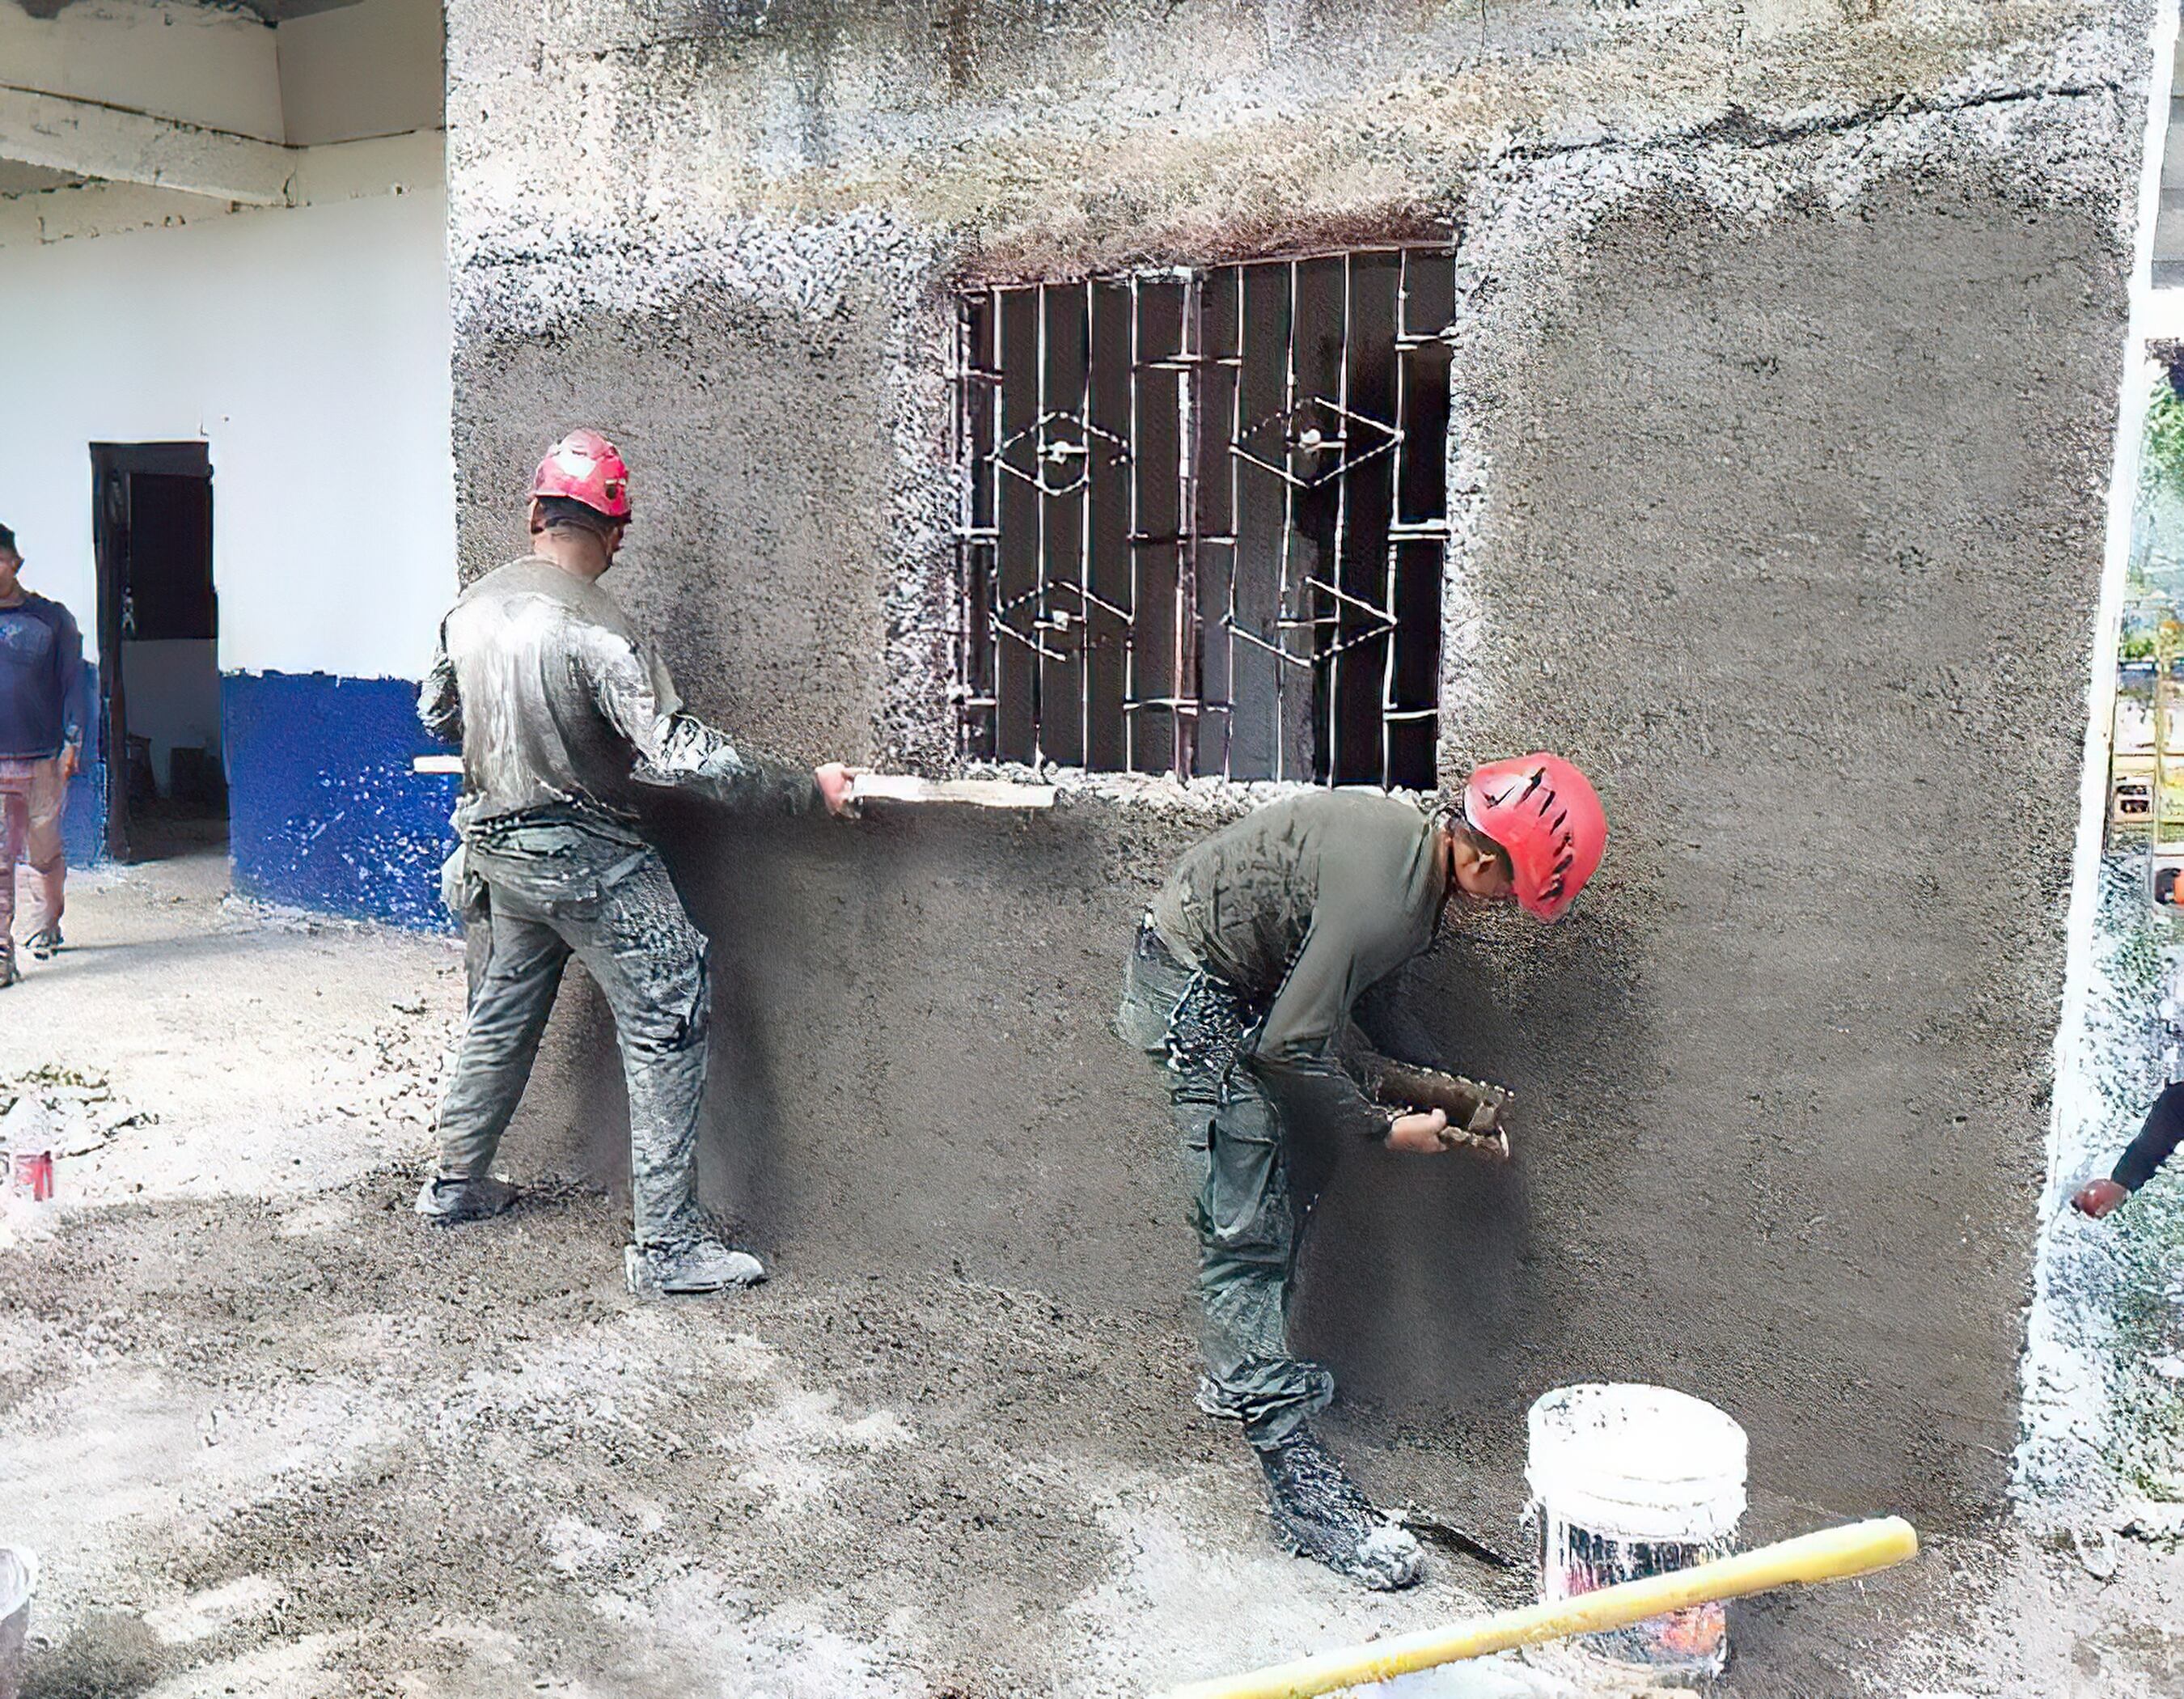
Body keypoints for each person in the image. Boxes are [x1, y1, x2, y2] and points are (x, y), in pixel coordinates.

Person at [1115, 756, 1607, 1588]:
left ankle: (1248, 1367)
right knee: (1247, 1224)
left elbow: (1367, 996)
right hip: (1194, 991)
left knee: (1296, 1166)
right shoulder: (1390, 898)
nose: (1504, 906)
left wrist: (1449, 1091)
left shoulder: (1414, 864)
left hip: (1243, 984)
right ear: (1481, 858)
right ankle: (1294, 1478)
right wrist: (1384, 1129)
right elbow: (1287, 1048)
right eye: (1510, 889)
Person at [417, 429, 860, 1296]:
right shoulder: (600, 629)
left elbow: (438, 715)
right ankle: (668, 1249)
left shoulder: (468, 610)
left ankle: (455, 1184)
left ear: (536, 512)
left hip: (498, 851)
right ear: (616, 533)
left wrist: (513, 730)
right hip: (586, 858)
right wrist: (806, 790)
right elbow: (680, 753)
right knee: (669, 998)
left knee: (502, 1011)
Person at [0, 523, 87, 989]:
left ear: (16, 564)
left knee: (42, 853)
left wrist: (73, 743)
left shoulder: (52, 620)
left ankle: (45, 923)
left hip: (42, 760)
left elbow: (75, 685)